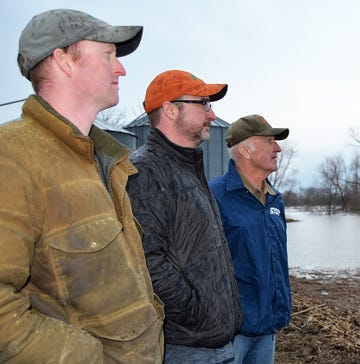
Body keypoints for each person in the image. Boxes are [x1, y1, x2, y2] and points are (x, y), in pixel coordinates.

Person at [0, 9, 164, 363]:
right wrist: (91, 358)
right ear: (64, 61)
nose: (120, 69)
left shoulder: (106, 159)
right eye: (108, 55)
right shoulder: (11, 157)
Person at [126, 69, 243, 363]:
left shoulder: (189, 166)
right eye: (203, 104)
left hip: (217, 343)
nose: (211, 115)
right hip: (186, 347)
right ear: (169, 109)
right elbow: (147, 261)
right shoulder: (145, 171)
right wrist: (197, 311)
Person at [209, 114, 292, 364]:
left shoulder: (275, 200)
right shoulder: (214, 196)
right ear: (245, 150)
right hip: (232, 332)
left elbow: (277, 261)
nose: (277, 147)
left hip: (268, 326)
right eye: (269, 141)